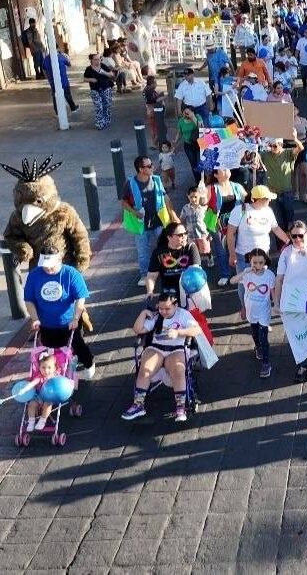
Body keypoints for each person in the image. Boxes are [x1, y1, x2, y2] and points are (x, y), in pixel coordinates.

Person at [121, 294, 202, 422]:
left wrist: (178, 332)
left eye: (167, 309)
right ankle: (138, 405)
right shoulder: (157, 316)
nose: (163, 312)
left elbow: (197, 330)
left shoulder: (183, 314)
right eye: (161, 308)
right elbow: (138, 329)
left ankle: (181, 407)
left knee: (178, 370)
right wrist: (143, 313)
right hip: (157, 347)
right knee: (145, 370)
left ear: (175, 305)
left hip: (176, 348)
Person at [23, 248, 95, 376]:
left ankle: (89, 365)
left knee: (78, 345)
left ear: (60, 260)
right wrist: (34, 318)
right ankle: (57, 373)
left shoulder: (71, 274)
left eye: (51, 266)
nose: (49, 270)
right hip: (46, 324)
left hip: (68, 322)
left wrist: (75, 318)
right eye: (45, 267)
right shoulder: (34, 275)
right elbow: (29, 300)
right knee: (52, 352)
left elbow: (80, 298)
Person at [272, 220, 307, 380]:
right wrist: (276, 302)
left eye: (300, 236)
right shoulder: (287, 253)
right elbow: (279, 279)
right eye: (293, 236)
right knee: (297, 331)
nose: (297, 240)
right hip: (294, 299)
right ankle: (303, 366)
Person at [121, 155, 181, 285]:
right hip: (141, 224)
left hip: (159, 221)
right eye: (149, 166)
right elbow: (124, 202)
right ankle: (145, 275)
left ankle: (168, 270)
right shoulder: (130, 184)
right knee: (143, 251)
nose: (152, 167)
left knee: (165, 246)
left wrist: (173, 215)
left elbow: (165, 198)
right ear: (140, 169)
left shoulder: (157, 180)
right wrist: (134, 212)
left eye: (151, 165)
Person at [231, 249, 278, 378]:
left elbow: (273, 291)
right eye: (254, 262)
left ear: (265, 262)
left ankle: (266, 363)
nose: (257, 266)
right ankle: (257, 347)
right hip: (251, 310)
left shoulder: (269, 275)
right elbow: (232, 281)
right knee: (254, 332)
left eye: (260, 263)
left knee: (263, 337)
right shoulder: (247, 274)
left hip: (264, 310)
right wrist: (244, 273)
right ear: (250, 261)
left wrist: (276, 305)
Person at [145, 221, 203, 300]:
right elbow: (151, 276)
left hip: (188, 288)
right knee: (167, 310)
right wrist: (150, 291)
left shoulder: (190, 247)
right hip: (168, 291)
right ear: (169, 237)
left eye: (185, 233)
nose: (184, 237)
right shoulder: (159, 252)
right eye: (180, 235)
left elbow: (195, 270)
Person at [19, 351, 59, 432]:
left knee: (47, 404)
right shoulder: (40, 377)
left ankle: (42, 420)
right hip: (39, 396)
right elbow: (32, 383)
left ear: (54, 368)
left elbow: (60, 385)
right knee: (31, 404)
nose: (46, 370)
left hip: (50, 396)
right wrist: (24, 389)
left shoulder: (56, 377)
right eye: (43, 368)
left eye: (49, 367)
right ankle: (31, 422)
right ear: (39, 368)